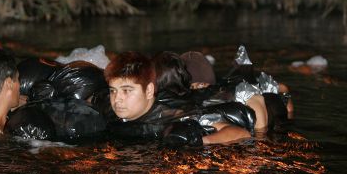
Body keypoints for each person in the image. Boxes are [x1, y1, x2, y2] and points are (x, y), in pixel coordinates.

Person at [104, 51, 250, 146]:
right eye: (113, 91)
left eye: (127, 91)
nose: (117, 99)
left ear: (148, 90)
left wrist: (201, 141)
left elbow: (241, 133)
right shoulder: (110, 113)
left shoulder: (176, 115)